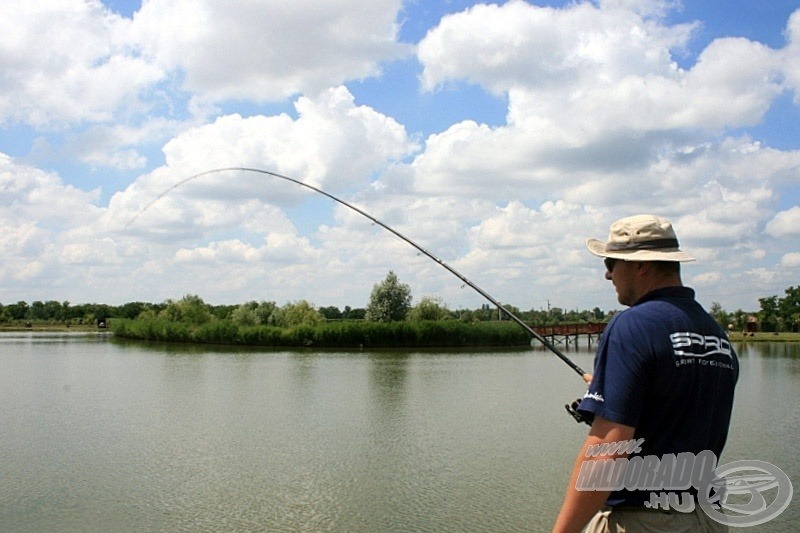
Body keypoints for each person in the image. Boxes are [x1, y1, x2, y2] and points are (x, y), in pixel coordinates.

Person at [552, 214, 739, 533]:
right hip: (707, 519)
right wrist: (606, 392)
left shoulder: (631, 325)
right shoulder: (714, 333)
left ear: (640, 264)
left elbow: (605, 454)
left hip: (645, 521)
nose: (607, 274)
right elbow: (675, 413)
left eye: (611, 262)